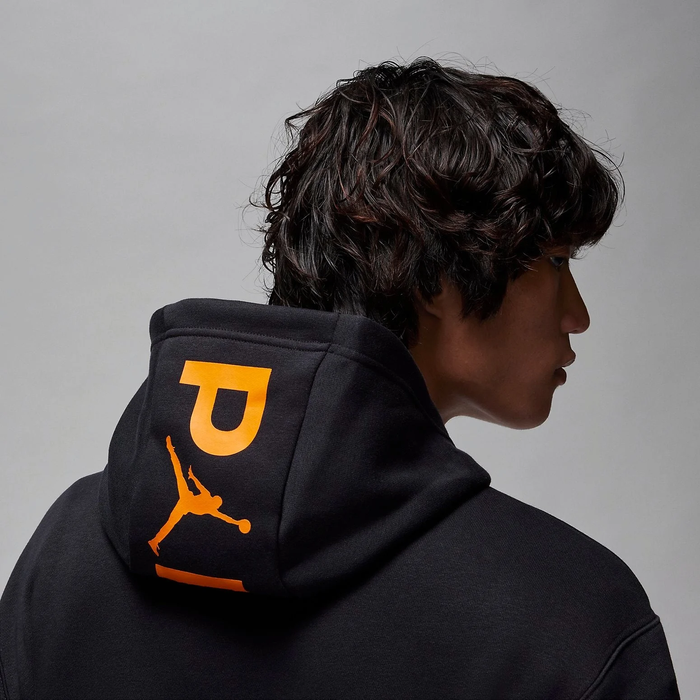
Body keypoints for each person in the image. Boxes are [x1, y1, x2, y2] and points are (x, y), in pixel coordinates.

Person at [0, 58, 680, 699]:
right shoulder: (572, 618)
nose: (577, 315)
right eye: (557, 262)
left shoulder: (64, 554)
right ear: (435, 275)